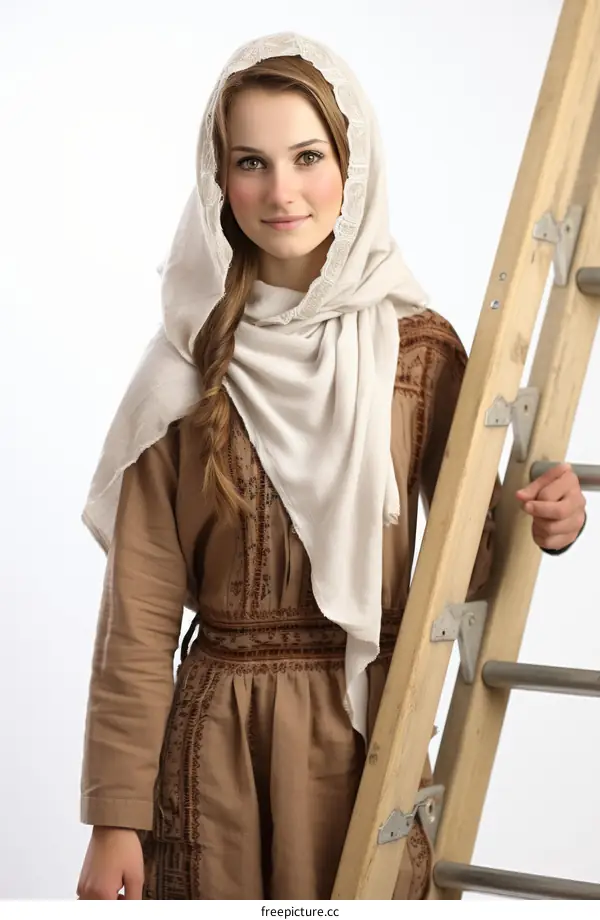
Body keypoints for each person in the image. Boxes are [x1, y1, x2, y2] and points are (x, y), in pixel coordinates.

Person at [75, 32, 587, 901]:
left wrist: (550, 519)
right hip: (216, 754)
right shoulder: (183, 368)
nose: (281, 191)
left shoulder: (417, 352)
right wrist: (115, 818)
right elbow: (139, 613)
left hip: (368, 737)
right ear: (216, 178)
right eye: (251, 161)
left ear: (352, 163)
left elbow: (469, 554)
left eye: (308, 156)